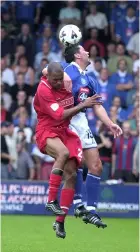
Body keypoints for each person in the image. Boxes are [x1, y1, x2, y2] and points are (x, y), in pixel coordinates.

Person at [42, 45, 122, 230]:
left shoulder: (91, 79)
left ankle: (91, 210)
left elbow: (97, 106)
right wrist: (63, 76)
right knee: (73, 166)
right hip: (67, 119)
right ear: (77, 55)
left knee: (96, 165)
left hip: (82, 120)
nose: (88, 52)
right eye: (84, 50)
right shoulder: (67, 68)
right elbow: (46, 70)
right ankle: (77, 206)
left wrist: (110, 123)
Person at [34, 62, 102, 238]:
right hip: (47, 131)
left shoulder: (65, 80)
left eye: (60, 80)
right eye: (55, 80)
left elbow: (55, 69)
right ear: (47, 77)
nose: (59, 83)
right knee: (63, 153)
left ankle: (60, 222)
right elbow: (59, 115)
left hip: (65, 132)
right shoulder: (44, 90)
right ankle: (50, 200)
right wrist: (83, 105)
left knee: (71, 174)